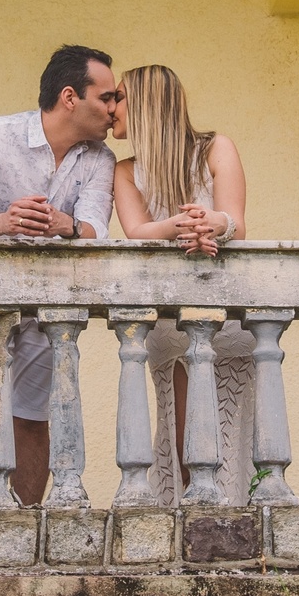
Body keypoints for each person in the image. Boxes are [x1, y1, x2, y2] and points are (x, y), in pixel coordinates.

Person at [0, 45, 118, 505]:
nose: (115, 110)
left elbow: (96, 230)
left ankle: (27, 522)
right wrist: (4, 222)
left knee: (32, 417)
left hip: (49, 304)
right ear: (69, 97)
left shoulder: (101, 160)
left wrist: (69, 226)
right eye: (108, 98)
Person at [111, 64, 249, 498]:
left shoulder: (215, 149)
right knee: (181, 435)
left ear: (148, 104)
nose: (110, 107)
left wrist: (212, 223)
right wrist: (182, 226)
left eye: (119, 97)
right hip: (170, 325)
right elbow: (136, 231)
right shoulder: (125, 170)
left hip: (225, 316)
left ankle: (229, 529)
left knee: (231, 437)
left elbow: (237, 224)